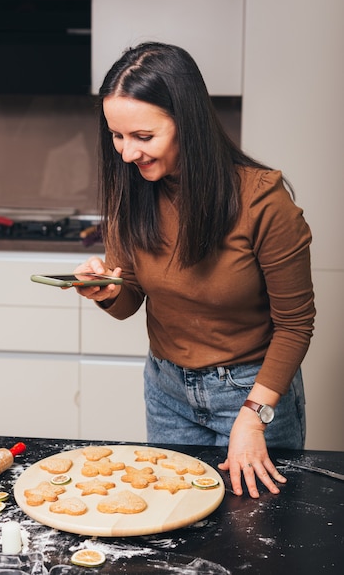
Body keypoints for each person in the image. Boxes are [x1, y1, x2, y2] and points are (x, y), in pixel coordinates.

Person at [73, 42, 315, 498]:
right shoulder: (134, 190)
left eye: (143, 137)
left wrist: (253, 416)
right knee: (174, 533)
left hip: (250, 393)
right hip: (167, 391)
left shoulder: (263, 202)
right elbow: (132, 302)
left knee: (254, 539)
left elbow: (296, 326)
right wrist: (106, 289)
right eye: (116, 136)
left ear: (189, 124)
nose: (126, 154)